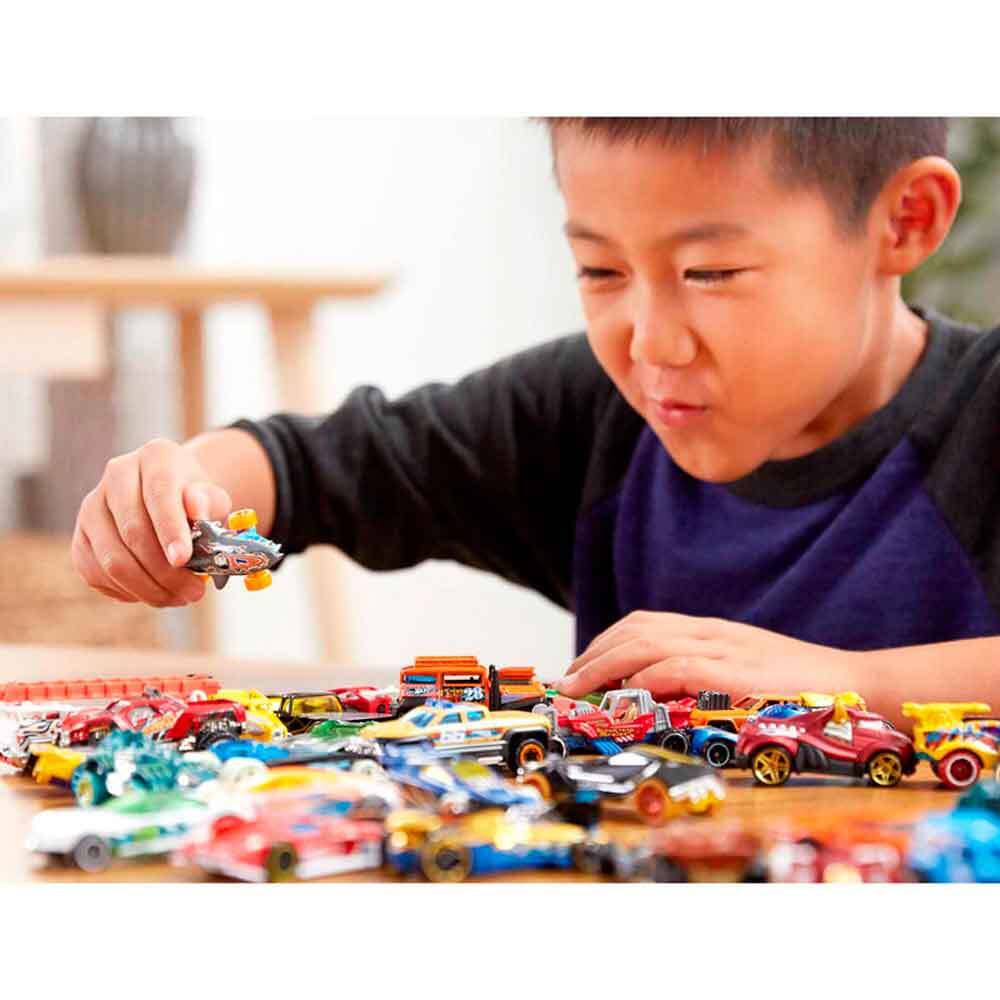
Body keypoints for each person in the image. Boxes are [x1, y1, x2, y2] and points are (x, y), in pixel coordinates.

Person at [72, 118, 1000, 725]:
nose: (650, 343)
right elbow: (317, 466)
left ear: (905, 221)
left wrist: (851, 683)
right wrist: (183, 489)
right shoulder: (595, 414)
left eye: (710, 273)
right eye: (600, 271)